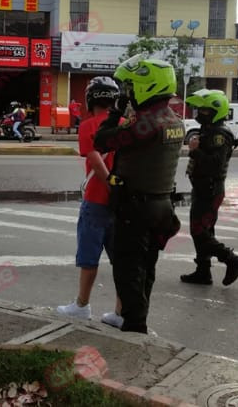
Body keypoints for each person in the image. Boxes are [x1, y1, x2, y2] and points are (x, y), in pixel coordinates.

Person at [93, 54, 185, 334]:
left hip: (136, 208)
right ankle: (139, 321)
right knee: (146, 269)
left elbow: (103, 140)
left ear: (148, 86)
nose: (127, 93)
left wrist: (115, 111)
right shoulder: (173, 119)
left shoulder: (146, 123)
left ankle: (135, 329)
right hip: (161, 207)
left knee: (128, 272)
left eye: (130, 87)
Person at [57, 77, 123, 327]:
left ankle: (82, 306)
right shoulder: (125, 124)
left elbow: (95, 159)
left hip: (96, 199)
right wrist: (119, 190)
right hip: (121, 204)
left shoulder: (88, 125)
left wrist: (108, 185)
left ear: (90, 99)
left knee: (89, 257)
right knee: (120, 260)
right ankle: (120, 311)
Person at [180, 89, 238, 286]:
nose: (200, 113)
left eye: (205, 110)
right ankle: (203, 271)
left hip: (210, 190)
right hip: (203, 188)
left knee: (199, 232)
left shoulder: (219, 135)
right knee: (204, 231)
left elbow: (214, 164)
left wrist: (194, 151)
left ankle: (232, 260)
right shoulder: (208, 131)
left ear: (216, 112)